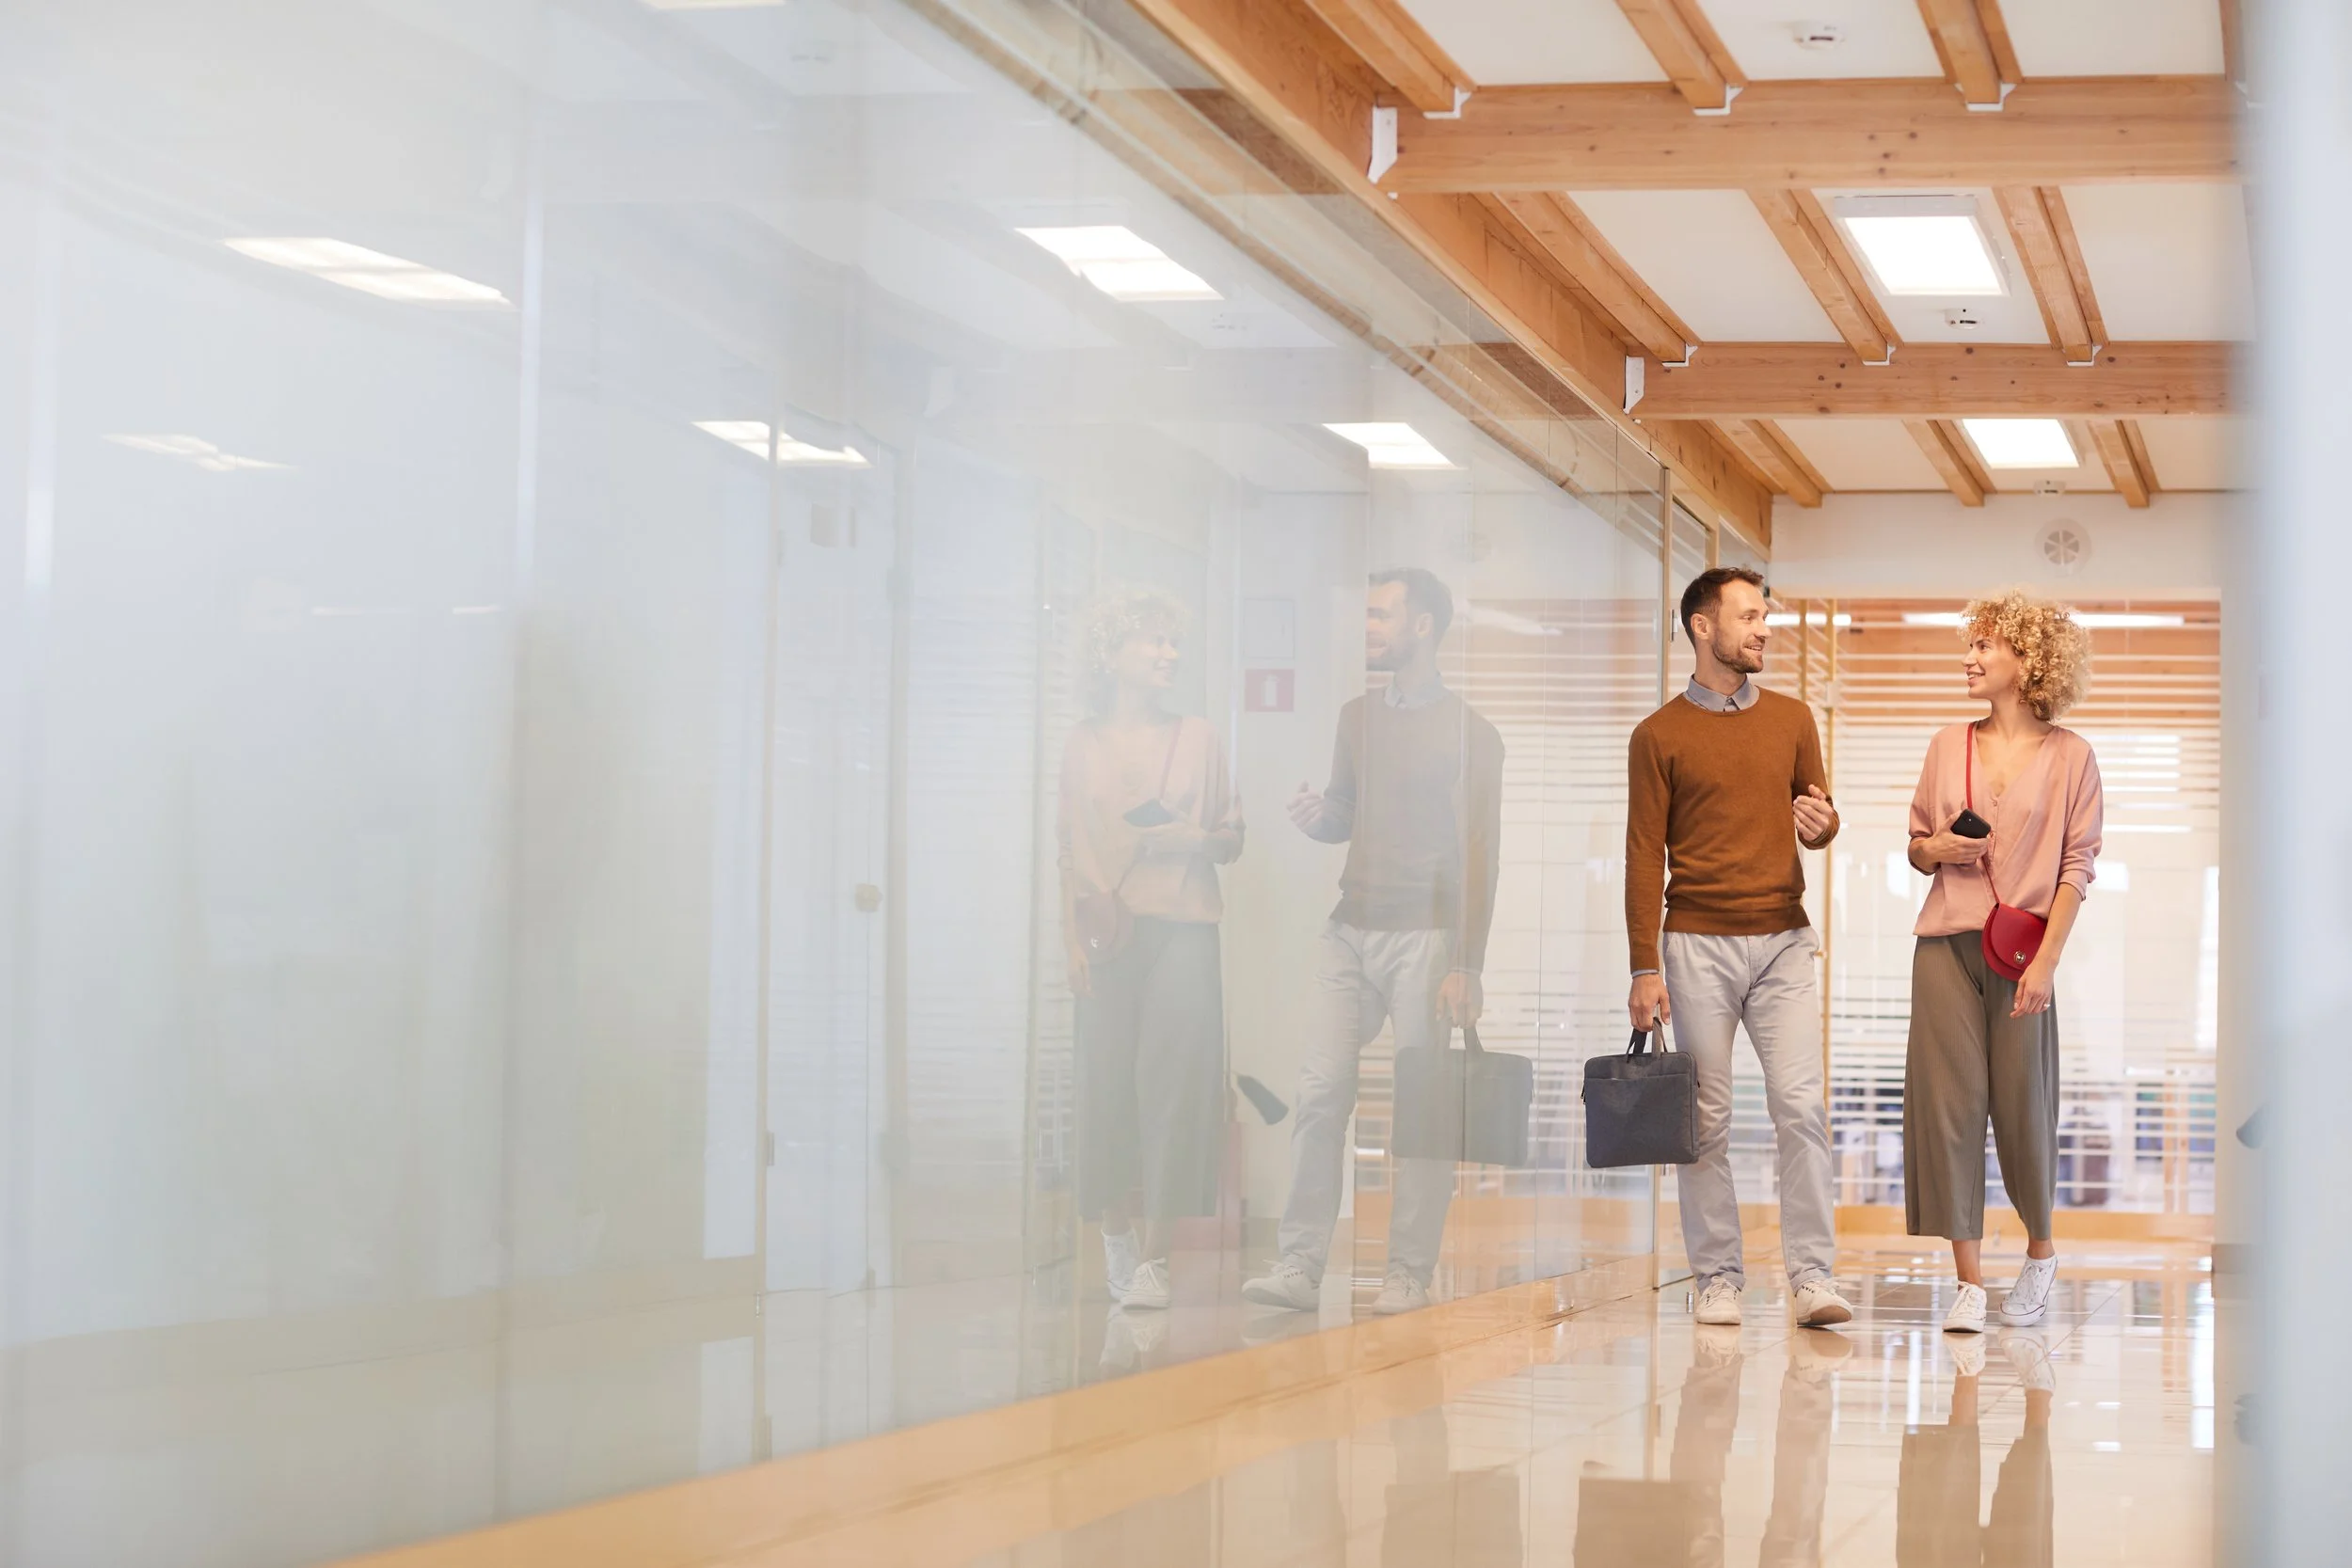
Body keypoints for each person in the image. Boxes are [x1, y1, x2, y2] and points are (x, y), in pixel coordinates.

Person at [1244, 568, 1503, 1317]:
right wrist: (1316, 813)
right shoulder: (1356, 717)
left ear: (1423, 626)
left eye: (1382, 616)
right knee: (1321, 1093)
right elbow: (1344, 817)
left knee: (1420, 1111)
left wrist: (1467, 962)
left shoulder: (1472, 734)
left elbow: (1482, 853)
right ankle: (1298, 1264)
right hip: (1348, 930)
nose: (1370, 629)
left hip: (1426, 939)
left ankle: (1407, 1273)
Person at [1626, 566, 1853, 1330]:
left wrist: (1825, 827)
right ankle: (1718, 1277)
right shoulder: (1657, 736)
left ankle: (1813, 1277)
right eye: (1750, 616)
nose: (1762, 630)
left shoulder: (1792, 719)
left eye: (1766, 617)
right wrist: (1643, 966)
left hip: (1784, 940)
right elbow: (1641, 855)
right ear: (1702, 626)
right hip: (1696, 944)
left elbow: (1818, 814)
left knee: (1801, 1107)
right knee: (1708, 1119)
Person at [1902, 592, 2102, 1334]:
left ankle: (2042, 1250)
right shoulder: (1945, 744)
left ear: (2028, 659)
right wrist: (1940, 849)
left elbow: (2076, 870)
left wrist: (2046, 964)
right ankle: (1967, 1281)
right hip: (1946, 943)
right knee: (1949, 1107)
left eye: (1986, 646)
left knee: (2023, 1106)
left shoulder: (2073, 756)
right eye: (1971, 645)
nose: (1971, 657)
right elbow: (1917, 844)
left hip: (2025, 954)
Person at [1058, 587, 1244, 1313]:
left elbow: (1232, 837)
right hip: (1107, 931)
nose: (1169, 654)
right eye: (1154, 641)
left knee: (1175, 1088)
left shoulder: (1199, 735)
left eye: (1174, 642)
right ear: (1112, 654)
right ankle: (1115, 1237)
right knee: (1105, 1083)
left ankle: (1158, 1258)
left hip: (1186, 930)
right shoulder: (1081, 742)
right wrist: (1069, 940)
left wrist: (1191, 840)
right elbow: (1063, 849)